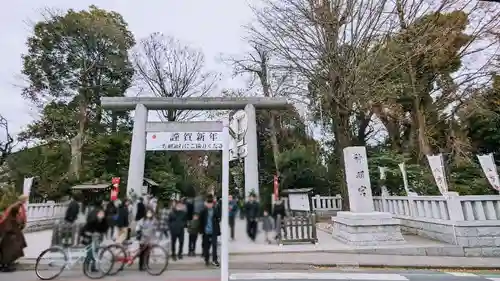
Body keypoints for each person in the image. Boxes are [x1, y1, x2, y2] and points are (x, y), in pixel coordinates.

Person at [0, 196, 28, 272]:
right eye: (25, 199)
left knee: (12, 247)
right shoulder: (17, 206)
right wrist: (20, 223)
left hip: (10, 230)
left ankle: (5, 264)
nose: (26, 200)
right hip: (10, 230)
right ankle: (5, 266)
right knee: (10, 248)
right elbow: (18, 218)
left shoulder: (16, 206)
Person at [79, 207, 108, 272]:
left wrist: (100, 234)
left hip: (96, 238)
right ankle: (86, 266)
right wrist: (89, 234)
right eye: (100, 214)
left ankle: (93, 267)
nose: (101, 215)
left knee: (96, 251)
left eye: (102, 214)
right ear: (97, 214)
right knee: (89, 252)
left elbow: (104, 229)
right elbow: (84, 229)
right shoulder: (92, 221)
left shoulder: (104, 221)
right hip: (88, 237)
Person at [199, 194, 220, 267]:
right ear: (206, 204)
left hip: (214, 231)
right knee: (206, 247)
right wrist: (201, 231)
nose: (209, 205)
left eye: (211, 204)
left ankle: (215, 260)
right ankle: (206, 259)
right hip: (206, 232)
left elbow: (219, 217)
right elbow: (200, 221)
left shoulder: (215, 210)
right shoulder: (203, 211)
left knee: (214, 246)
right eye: (208, 204)